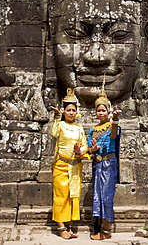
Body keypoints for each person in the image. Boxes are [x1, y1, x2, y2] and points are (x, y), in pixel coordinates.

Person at [50, 88, 89, 239]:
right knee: (60, 196)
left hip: (75, 166)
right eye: (68, 110)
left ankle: (70, 226)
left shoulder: (79, 128)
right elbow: (53, 133)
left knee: (73, 195)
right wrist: (56, 116)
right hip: (61, 164)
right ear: (64, 112)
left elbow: (85, 145)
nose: (71, 113)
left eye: (73, 110)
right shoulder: (60, 125)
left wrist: (81, 150)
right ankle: (61, 227)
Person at [87, 79, 121, 240]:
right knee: (97, 196)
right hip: (97, 164)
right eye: (98, 111)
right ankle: (101, 227)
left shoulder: (113, 126)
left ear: (108, 112)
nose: (101, 113)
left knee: (107, 196)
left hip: (109, 164)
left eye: (103, 111)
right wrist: (91, 150)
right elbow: (88, 148)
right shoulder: (92, 130)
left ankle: (106, 230)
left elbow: (114, 135)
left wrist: (115, 120)